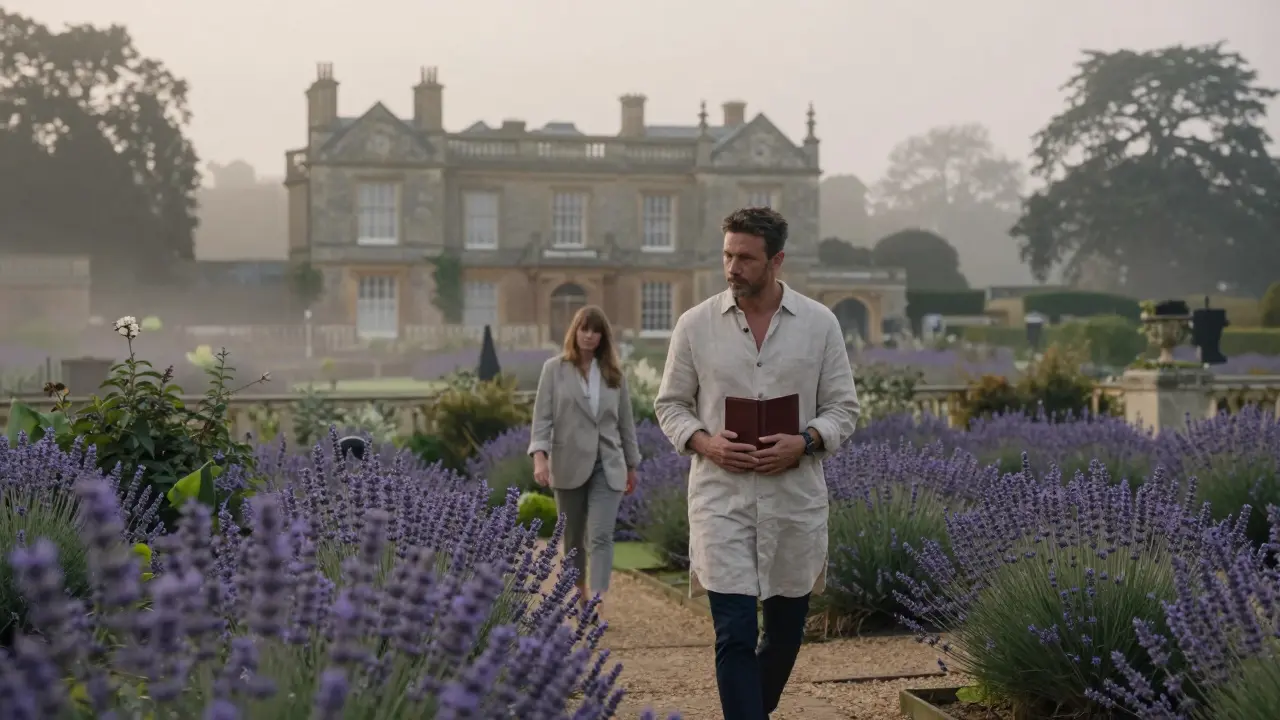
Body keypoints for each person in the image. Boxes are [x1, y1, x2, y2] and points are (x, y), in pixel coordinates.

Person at [654, 207, 860, 720]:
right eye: (727, 255)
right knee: (735, 632)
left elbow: (844, 409)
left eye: (745, 258)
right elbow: (670, 405)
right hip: (721, 500)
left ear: (777, 260)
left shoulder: (820, 324)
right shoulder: (694, 325)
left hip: (794, 503)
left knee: (786, 635)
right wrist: (707, 443)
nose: (732, 267)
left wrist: (806, 441)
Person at [529, 304, 641, 610]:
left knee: (602, 534)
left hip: (608, 463)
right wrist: (540, 458)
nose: (589, 336)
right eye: (584, 329)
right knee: (574, 536)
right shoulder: (554, 369)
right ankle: (579, 593)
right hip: (567, 464)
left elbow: (625, 424)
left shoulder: (614, 374)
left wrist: (632, 465)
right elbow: (542, 420)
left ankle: (599, 599)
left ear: (603, 337)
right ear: (574, 332)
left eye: (595, 331)